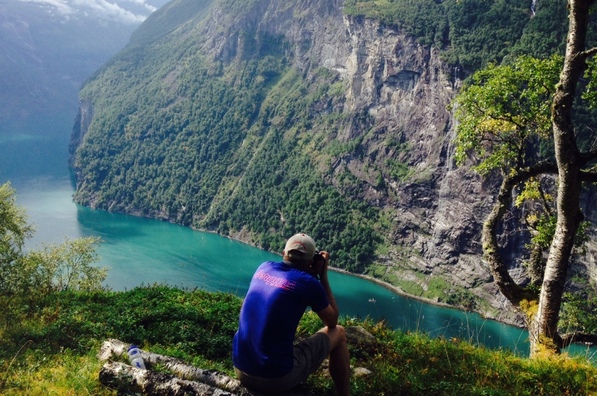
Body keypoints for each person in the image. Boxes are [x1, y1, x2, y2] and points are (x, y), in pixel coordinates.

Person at [232, 233, 350, 395]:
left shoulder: (264, 267)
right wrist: (322, 277)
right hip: (275, 379)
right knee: (340, 333)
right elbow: (332, 321)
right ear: (311, 262)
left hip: (240, 368)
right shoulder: (309, 283)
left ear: (284, 253)